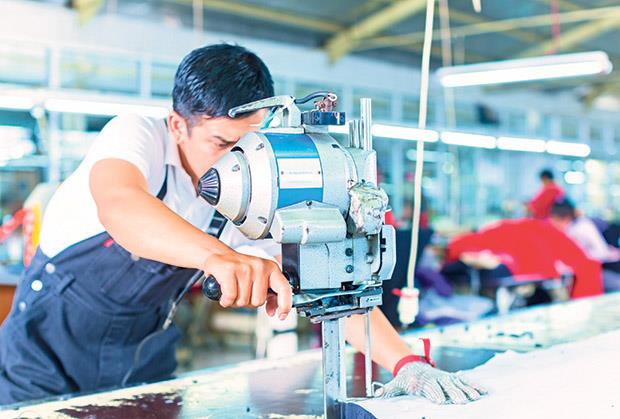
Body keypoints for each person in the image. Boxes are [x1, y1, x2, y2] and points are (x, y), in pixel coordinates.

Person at [0, 44, 484, 405]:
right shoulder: (136, 135)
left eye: (248, 145)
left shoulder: (247, 191)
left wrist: (406, 362)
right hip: (45, 356)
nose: (237, 162)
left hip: (142, 356)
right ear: (178, 125)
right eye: (220, 143)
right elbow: (121, 206)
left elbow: (328, 286)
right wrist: (220, 257)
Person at [549, 199, 620, 291]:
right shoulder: (572, 228)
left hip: (601, 270)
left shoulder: (579, 228)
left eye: (554, 219)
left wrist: (582, 260)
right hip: (589, 272)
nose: (552, 223)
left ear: (563, 218)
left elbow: (601, 252)